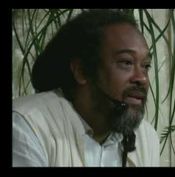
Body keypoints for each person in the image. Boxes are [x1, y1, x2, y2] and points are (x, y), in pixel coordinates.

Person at [12, 9, 160, 167]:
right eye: (126, 62)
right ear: (82, 71)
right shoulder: (29, 125)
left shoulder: (146, 137)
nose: (142, 78)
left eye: (146, 66)